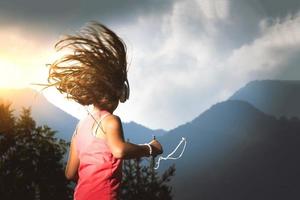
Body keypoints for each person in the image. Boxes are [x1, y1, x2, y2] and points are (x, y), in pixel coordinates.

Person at [46, 21, 163, 200]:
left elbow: (70, 174)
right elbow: (119, 150)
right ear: (118, 93)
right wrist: (150, 148)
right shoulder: (110, 120)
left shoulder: (80, 127)